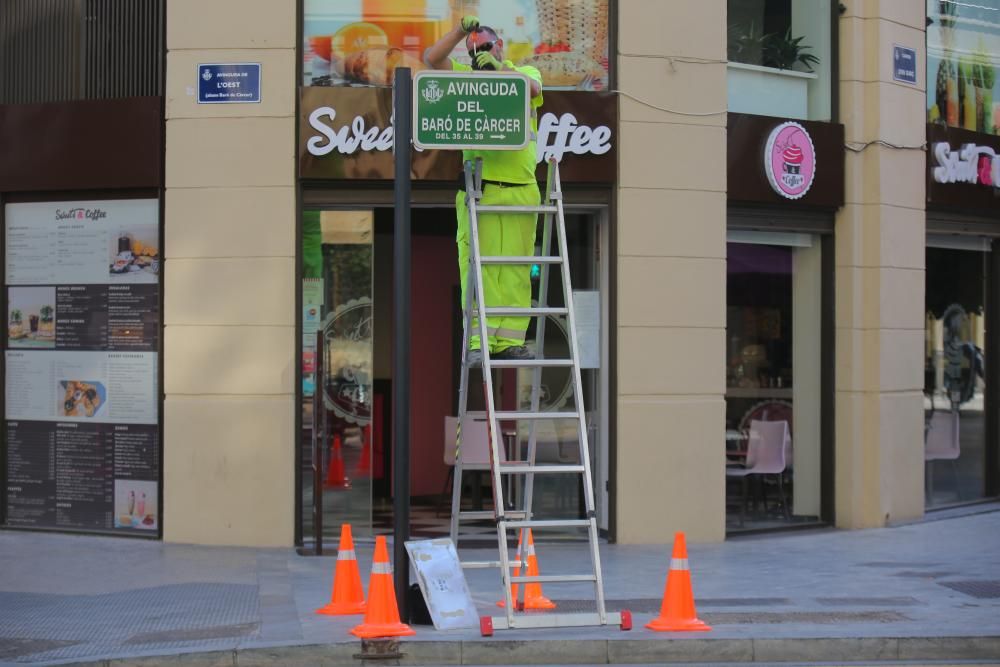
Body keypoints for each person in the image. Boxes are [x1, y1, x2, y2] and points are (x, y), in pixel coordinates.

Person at [425, 15, 544, 364]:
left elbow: (533, 90)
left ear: (501, 46)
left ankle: (510, 341)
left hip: (522, 188)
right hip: (483, 189)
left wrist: (499, 69)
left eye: (487, 47)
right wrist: (461, 32)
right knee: (480, 268)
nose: (482, 55)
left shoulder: (525, 74)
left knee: (517, 268)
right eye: (475, 51)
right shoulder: (467, 80)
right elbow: (432, 59)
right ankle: (479, 344)